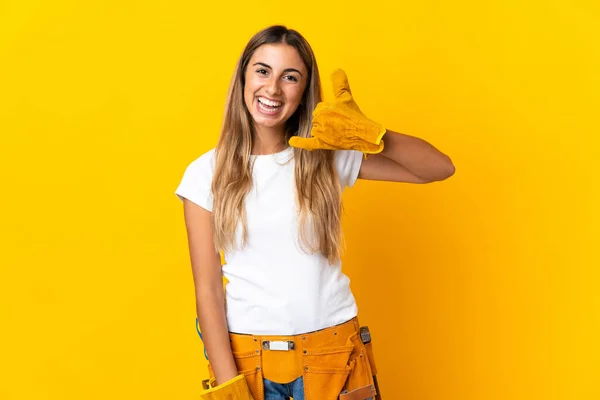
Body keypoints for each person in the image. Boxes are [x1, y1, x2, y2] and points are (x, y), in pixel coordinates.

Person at [175, 25, 454, 400]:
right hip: (248, 362)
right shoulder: (204, 173)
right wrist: (231, 389)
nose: (272, 89)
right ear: (243, 77)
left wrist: (374, 134)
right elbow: (207, 291)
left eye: (290, 77)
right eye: (262, 71)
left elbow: (438, 168)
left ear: (304, 91)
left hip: (334, 356)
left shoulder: (326, 156)